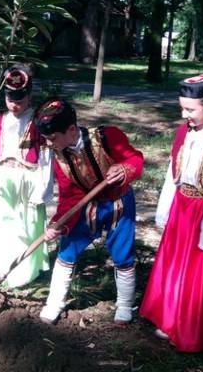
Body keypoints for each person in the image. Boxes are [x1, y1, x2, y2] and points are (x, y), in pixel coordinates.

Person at [140, 74, 203, 352]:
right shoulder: (184, 132)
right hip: (181, 210)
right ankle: (168, 319)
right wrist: (164, 212)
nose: (184, 115)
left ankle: (190, 328)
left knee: (195, 272)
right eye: (182, 108)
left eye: (190, 110)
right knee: (174, 266)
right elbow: (172, 175)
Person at [33, 98, 143, 324]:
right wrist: (58, 224)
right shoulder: (60, 157)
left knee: (122, 253)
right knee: (67, 250)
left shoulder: (107, 136)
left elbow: (135, 159)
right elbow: (69, 196)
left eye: (52, 138)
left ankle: (124, 304)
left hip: (119, 204)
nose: (49, 143)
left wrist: (124, 169)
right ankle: (54, 302)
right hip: (87, 206)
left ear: (71, 130)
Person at [0, 65, 54, 287]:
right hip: (5, 179)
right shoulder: (0, 121)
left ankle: (23, 271)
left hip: (28, 180)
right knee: (3, 224)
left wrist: (42, 190)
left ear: (29, 97)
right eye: (10, 100)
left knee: (26, 225)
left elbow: (45, 157)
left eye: (20, 101)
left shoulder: (38, 122)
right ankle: (0, 265)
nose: (14, 105)